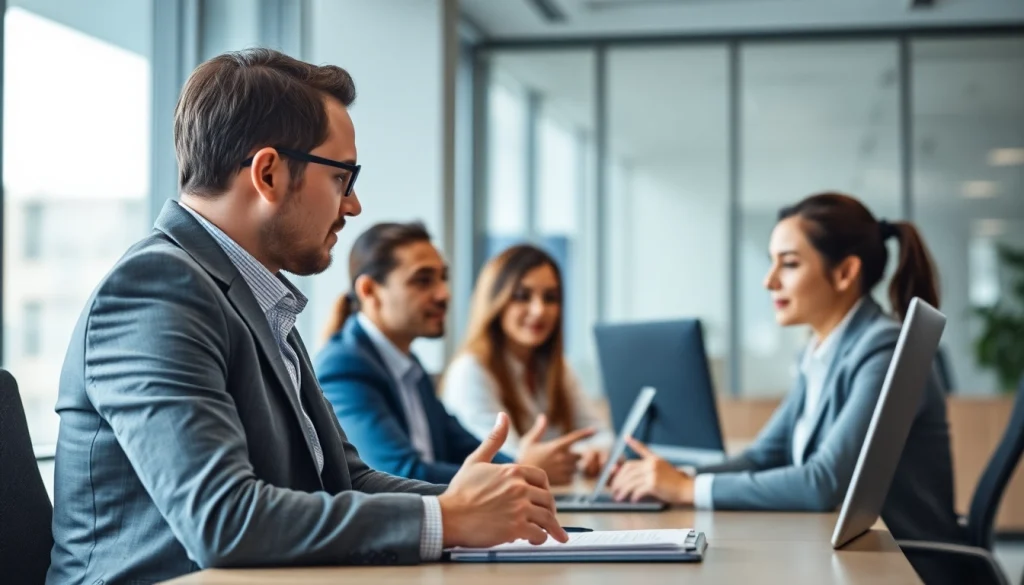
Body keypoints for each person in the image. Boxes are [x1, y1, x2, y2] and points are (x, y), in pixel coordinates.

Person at [47, 49, 565, 585]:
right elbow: (223, 521)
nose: (355, 205)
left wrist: (491, 506)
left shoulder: (256, 295)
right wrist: (448, 517)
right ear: (268, 173)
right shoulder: (155, 290)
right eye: (343, 177)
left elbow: (344, 481)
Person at [608, 192, 962, 545]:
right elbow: (763, 457)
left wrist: (687, 488)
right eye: (771, 262)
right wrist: (674, 478)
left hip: (908, 562)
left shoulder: (883, 348)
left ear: (844, 273)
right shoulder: (817, 353)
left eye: (789, 264)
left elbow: (822, 483)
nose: (769, 280)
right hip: (859, 551)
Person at [316, 222, 595, 486]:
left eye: (443, 279)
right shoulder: (345, 366)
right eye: (423, 281)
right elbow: (399, 473)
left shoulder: (408, 366)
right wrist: (519, 471)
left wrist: (520, 466)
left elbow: (463, 447)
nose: (443, 294)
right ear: (370, 291)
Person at [442, 244, 615, 480]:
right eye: (522, 296)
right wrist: (573, 455)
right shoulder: (471, 371)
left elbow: (602, 436)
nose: (539, 310)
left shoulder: (558, 368)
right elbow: (502, 459)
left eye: (550, 297)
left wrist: (592, 453)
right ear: (496, 301)